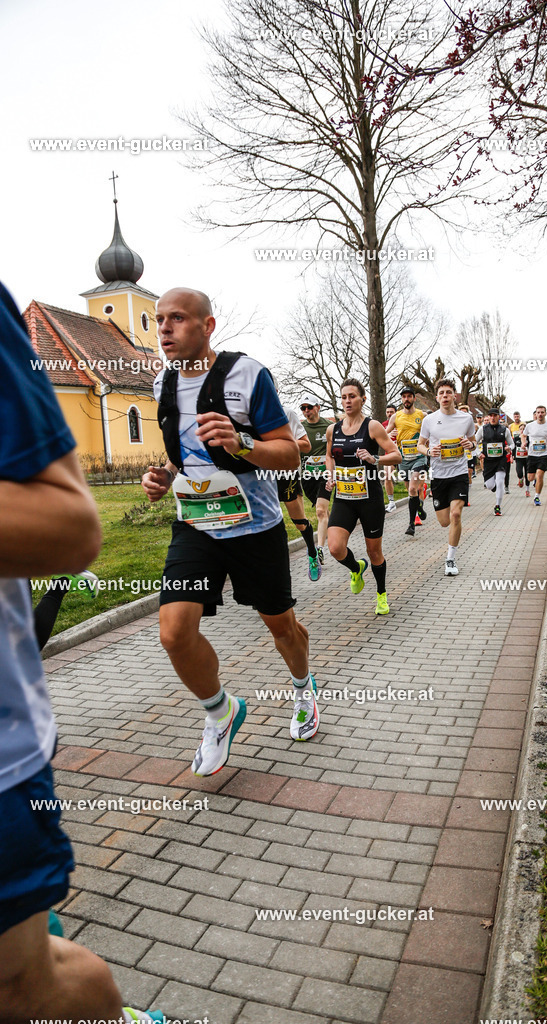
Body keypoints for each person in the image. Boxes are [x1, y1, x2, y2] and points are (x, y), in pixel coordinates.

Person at [0, 281, 163, 1022]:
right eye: (143, 317)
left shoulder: (145, 370)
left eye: (150, 315)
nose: (146, 326)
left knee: (19, 987)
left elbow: (70, 525)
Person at [144, 287, 319, 760]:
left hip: (255, 525)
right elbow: (184, 457)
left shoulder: (248, 373)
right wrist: (164, 476)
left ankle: (304, 689)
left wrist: (243, 443)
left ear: (207, 325)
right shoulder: (161, 384)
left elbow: (287, 455)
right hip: (197, 522)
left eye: (177, 318)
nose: (164, 328)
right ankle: (220, 712)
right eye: (160, 319)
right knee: (173, 632)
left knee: (282, 628)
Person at [325, 378, 400, 614]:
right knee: (335, 548)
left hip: (370, 499)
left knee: (374, 552)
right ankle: (356, 568)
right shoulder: (333, 429)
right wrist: (330, 474)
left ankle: (381, 594)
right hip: (344, 498)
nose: (347, 401)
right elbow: (329, 456)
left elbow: (396, 455)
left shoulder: (373, 426)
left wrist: (374, 459)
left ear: (362, 399)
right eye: (344, 397)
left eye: (352, 396)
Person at [417, 379, 477, 576]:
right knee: (444, 521)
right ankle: (451, 536)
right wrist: (429, 451)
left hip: (459, 473)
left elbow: (473, 441)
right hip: (439, 475)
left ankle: (450, 559)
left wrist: (471, 446)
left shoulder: (466, 418)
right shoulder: (429, 420)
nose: (445, 396)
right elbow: (420, 444)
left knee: (456, 515)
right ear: (437, 397)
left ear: (454, 396)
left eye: (448, 392)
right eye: (441, 393)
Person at [274, 388, 320, 582]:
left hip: (286, 474)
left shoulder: (287, 413)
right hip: (262, 476)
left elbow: (306, 445)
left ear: (275, 391)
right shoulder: (249, 415)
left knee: (299, 522)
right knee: (267, 525)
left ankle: (312, 553)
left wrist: (283, 442)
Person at [386, 386, 428, 537]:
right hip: (403, 459)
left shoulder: (422, 415)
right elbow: (383, 435)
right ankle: (420, 508)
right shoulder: (395, 417)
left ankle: (411, 525)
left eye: (409, 396)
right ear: (401, 399)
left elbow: (430, 432)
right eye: (404, 396)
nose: (406, 399)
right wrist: (390, 433)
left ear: (414, 398)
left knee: (413, 488)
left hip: (419, 457)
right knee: (411, 491)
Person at [299, 395, 333, 560]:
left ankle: (320, 549)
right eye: (303, 408)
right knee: (323, 511)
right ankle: (332, 526)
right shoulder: (299, 428)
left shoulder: (329, 426)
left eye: (309, 407)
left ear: (318, 407)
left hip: (325, 475)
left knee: (320, 511)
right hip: (307, 477)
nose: (306, 411)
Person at [476, 408, 513, 516]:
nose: (492, 418)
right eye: (490, 416)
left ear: (499, 417)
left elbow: (512, 444)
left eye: (495, 416)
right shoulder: (483, 429)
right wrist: (479, 453)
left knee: (500, 481)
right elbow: (473, 443)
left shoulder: (504, 429)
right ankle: (498, 490)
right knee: (489, 485)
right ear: (488, 417)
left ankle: (498, 506)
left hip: (500, 460)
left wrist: (509, 448)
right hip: (488, 461)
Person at [521, 405, 547, 506]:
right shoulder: (530, 426)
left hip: (544, 454)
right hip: (532, 454)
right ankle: (535, 482)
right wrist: (523, 443)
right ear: (535, 414)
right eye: (538, 412)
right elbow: (523, 435)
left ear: (545, 413)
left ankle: (537, 497)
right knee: (530, 478)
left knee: (540, 475)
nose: (540, 414)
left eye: (542, 412)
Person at [382, 404, 398, 513]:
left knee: (410, 479)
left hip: (403, 454)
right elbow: (380, 439)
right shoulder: (383, 425)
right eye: (387, 412)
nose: (389, 414)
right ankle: (391, 502)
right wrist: (388, 434)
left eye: (391, 412)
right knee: (387, 476)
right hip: (389, 454)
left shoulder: (401, 421)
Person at [513, 425, 530, 496]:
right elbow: (513, 447)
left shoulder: (529, 438)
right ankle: (520, 478)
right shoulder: (516, 438)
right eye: (521, 429)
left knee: (527, 475)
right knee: (519, 472)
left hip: (527, 458)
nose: (522, 430)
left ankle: (527, 490)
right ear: (519, 430)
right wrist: (512, 456)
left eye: (524, 429)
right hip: (519, 458)